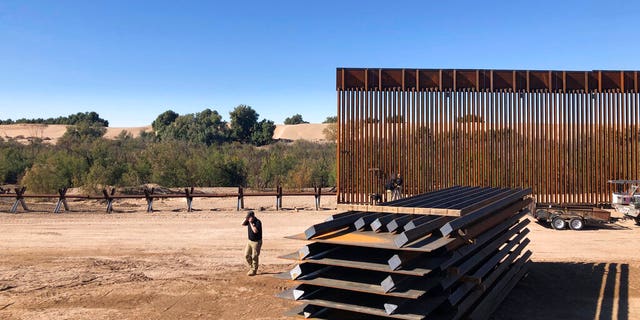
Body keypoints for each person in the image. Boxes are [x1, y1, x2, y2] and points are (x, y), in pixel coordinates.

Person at [242, 211, 262, 276]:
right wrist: (246, 219)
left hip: (256, 242)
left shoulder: (257, 222)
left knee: (254, 256)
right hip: (250, 241)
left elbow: (255, 231)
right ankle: (252, 267)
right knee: (246, 255)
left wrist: (251, 223)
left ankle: (254, 270)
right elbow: (242, 224)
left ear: (252, 217)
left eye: (249, 217)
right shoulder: (248, 221)